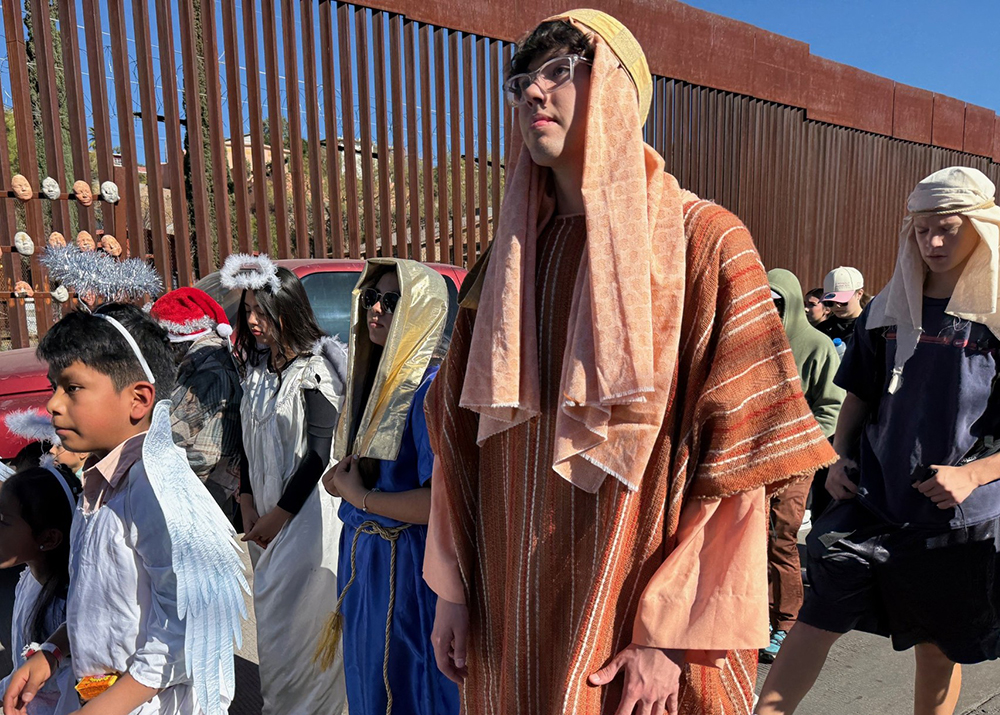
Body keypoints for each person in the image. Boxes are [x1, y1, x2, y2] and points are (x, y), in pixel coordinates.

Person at [422, 12, 836, 715]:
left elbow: (739, 461)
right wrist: (454, 589)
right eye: (522, 78)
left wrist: (672, 635)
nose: (532, 93)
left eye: (560, 71)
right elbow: (459, 440)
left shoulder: (703, 243)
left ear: (619, 87)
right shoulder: (506, 261)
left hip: (639, 614)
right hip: (512, 608)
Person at [756, 167, 1000, 715]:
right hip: (872, 502)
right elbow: (861, 397)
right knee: (817, 620)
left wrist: (974, 474)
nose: (933, 243)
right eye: (921, 230)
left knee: (938, 651)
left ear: (982, 229)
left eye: (949, 228)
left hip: (955, 522)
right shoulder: (888, 311)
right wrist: (839, 456)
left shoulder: (996, 317)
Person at [3, 303, 247, 715]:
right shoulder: (100, 482)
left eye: (72, 388)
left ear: (138, 399)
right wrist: (54, 650)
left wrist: (105, 707)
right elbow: (101, 603)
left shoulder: (156, 492)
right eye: (54, 387)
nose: (53, 405)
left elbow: (187, 629)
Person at [318, 258, 460, 715]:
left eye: (392, 301)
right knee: (366, 685)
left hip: (409, 570)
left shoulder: (429, 390)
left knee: (409, 689)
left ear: (421, 310)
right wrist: (343, 483)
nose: (376, 309)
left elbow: (441, 501)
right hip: (367, 567)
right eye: (371, 297)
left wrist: (361, 497)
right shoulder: (377, 382)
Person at [221, 254, 348, 715]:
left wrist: (278, 517)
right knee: (275, 637)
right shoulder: (255, 371)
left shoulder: (316, 371)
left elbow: (317, 456)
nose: (253, 321)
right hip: (268, 520)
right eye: (248, 310)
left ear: (287, 309)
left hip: (307, 521)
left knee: (305, 638)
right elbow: (251, 445)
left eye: (262, 311)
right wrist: (249, 502)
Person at [762, 270, 845, 664]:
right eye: (766, 301)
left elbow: (832, 407)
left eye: (778, 302)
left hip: (797, 458)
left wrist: (798, 441)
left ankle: (787, 623)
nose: (771, 309)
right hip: (754, 458)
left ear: (792, 303)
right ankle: (757, 618)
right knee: (751, 539)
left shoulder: (816, 345)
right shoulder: (755, 341)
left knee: (782, 537)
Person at [150, 288, 243, 513]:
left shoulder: (208, 369)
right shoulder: (205, 360)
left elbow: (171, 433)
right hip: (204, 484)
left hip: (204, 488)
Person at [0, 464, 80, 715]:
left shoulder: (66, 607)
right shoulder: (28, 579)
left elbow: (67, 695)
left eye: (3, 521)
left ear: (48, 539)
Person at [816, 266, 865, 345]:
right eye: (830, 302)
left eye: (842, 301)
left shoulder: (872, 328)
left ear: (859, 294)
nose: (837, 306)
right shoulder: (821, 330)